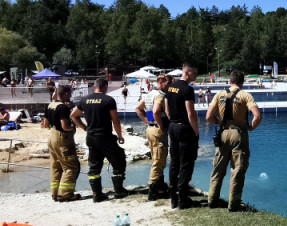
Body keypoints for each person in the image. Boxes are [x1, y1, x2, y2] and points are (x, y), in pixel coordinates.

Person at [206, 70, 262, 211]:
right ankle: (234, 204)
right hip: (239, 134)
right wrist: (251, 127)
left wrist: (219, 123)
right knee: (237, 170)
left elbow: (208, 117)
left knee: (218, 168)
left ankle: (212, 200)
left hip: (223, 133)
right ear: (242, 83)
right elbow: (257, 116)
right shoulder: (245, 95)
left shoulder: (219, 94)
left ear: (230, 81)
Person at [71, 77, 128, 202]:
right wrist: (120, 136)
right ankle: (118, 190)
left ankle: (97, 194)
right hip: (105, 137)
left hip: (91, 137)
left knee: (94, 166)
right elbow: (115, 120)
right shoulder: (108, 100)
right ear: (105, 87)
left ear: (94, 87)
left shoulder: (85, 100)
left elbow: (73, 115)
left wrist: (84, 128)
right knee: (118, 162)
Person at [164, 63, 199, 210]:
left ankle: (173, 197)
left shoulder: (170, 87)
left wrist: (173, 121)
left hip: (172, 126)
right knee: (186, 162)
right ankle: (183, 199)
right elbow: (191, 113)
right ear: (188, 73)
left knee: (174, 162)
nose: (195, 78)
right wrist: (196, 131)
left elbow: (166, 109)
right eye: (195, 75)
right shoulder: (187, 89)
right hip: (184, 128)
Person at [41, 84, 81, 202]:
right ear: (65, 94)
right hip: (62, 138)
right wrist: (73, 128)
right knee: (71, 166)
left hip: (51, 136)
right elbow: (65, 126)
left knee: (56, 166)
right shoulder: (63, 108)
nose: (71, 95)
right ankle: (65, 194)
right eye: (70, 93)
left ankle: (55, 193)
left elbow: (45, 124)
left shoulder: (50, 105)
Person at [135, 74, 171, 202]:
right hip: (158, 130)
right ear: (161, 82)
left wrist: (147, 121)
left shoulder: (149, 94)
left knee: (156, 158)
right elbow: (156, 111)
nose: (170, 86)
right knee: (159, 160)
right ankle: (153, 190)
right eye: (168, 83)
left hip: (150, 129)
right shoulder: (160, 95)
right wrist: (160, 126)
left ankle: (160, 185)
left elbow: (138, 109)